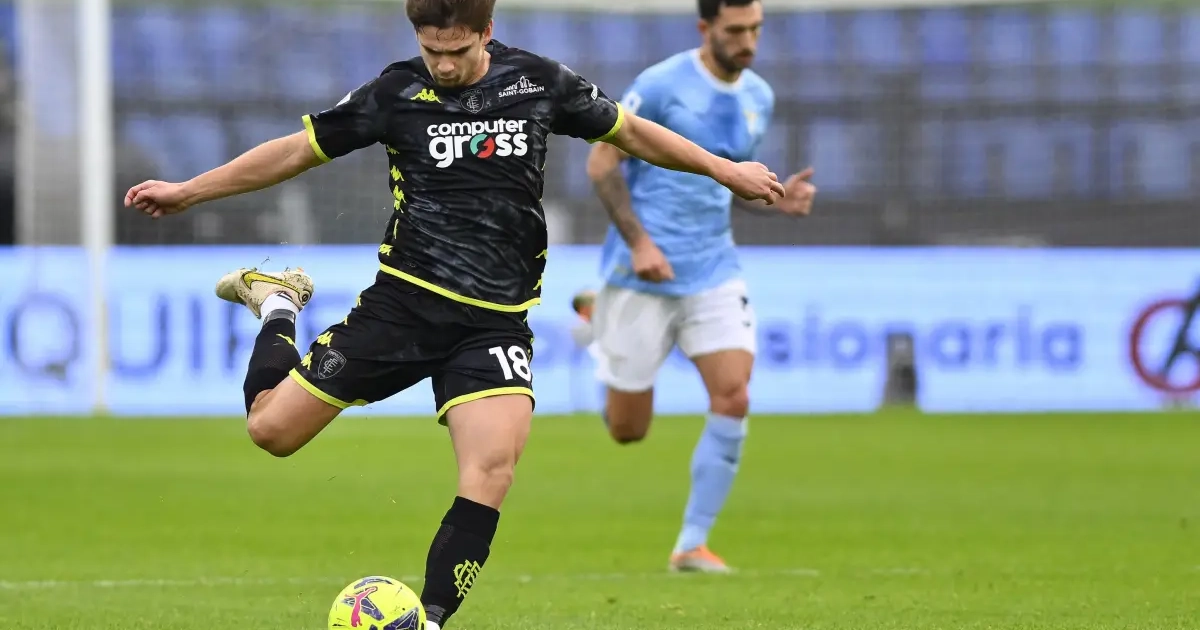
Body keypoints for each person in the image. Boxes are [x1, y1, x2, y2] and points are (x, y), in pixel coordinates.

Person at [123, 0, 786, 626]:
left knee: (491, 471)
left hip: (495, 322)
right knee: (271, 431)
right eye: (430, 49)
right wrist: (190, 191)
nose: (442, 64)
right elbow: (298, 149)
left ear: (486, 30)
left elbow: (630, 132)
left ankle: (432, 619)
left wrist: (723, 171)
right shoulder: (396, 93)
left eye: (457, 50)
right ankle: (276, 302)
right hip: (404, 307)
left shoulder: (539, 83)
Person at [570, 0, 817, 574]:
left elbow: (728, 181)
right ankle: (600, 321)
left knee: (734, 396)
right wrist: (640, 244)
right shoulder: (660, 85)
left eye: (756, 29)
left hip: (714, 270)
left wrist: (776, 201)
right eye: (736, 30)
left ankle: (691, 543)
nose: (748, 41)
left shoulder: (759, 96)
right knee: (628, 430)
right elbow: (601, 165)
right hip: (642, 272)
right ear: (706, 28)